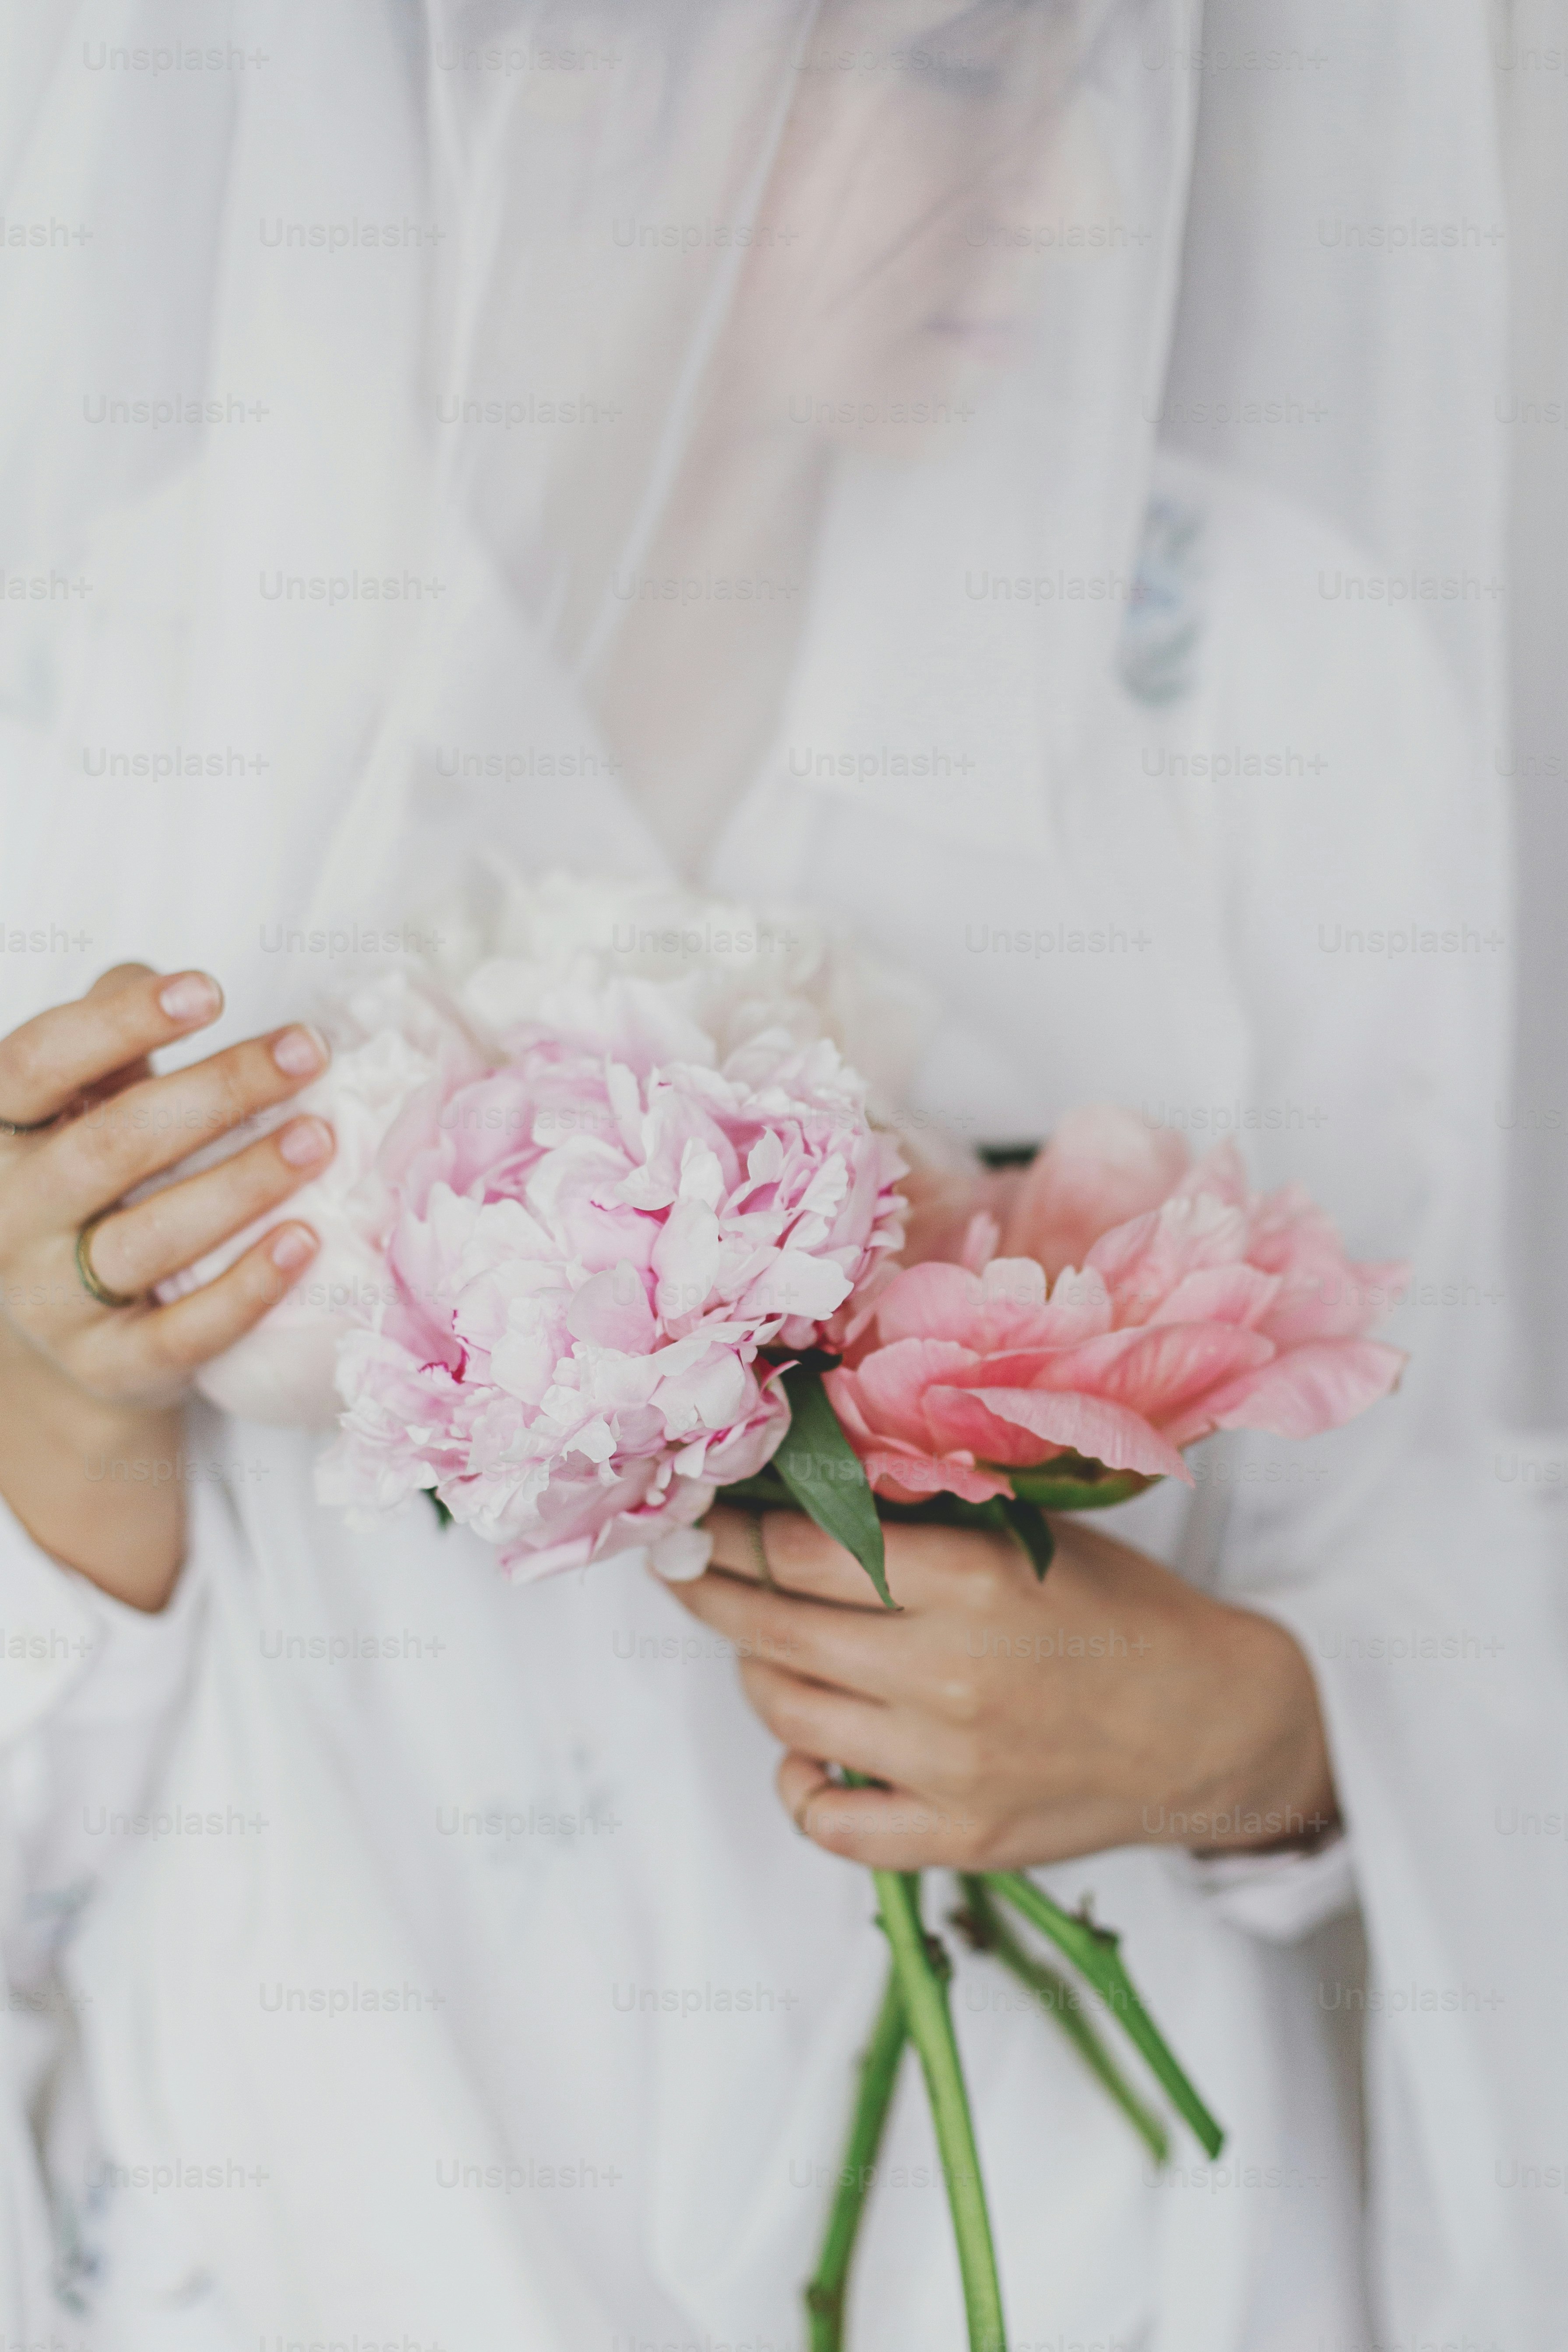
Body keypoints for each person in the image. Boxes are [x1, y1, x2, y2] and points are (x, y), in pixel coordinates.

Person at [1, 2, 1562, 2346]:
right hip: (338, 2221)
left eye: (1092, 70)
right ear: (562, 56)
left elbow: (1448, 1520)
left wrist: (1272, 1742)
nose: (1072, 197)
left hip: (1092, 2254)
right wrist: (67, 1423)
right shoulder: (105, 694)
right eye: (952, 72)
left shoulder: (1259, 690)